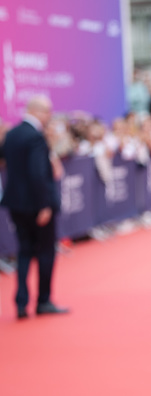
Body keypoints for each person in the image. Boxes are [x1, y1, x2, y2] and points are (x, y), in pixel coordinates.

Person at [0, 95, 69, 319]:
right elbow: (38, 174)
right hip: (36, 206)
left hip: (16, 204)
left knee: (24, 251)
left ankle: (20, 303)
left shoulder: (11, 134)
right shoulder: (36, 137)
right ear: (39, 112)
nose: (50, 116)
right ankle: (43, 300)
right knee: (46, 252)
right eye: (48, 112)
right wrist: (45, 205)